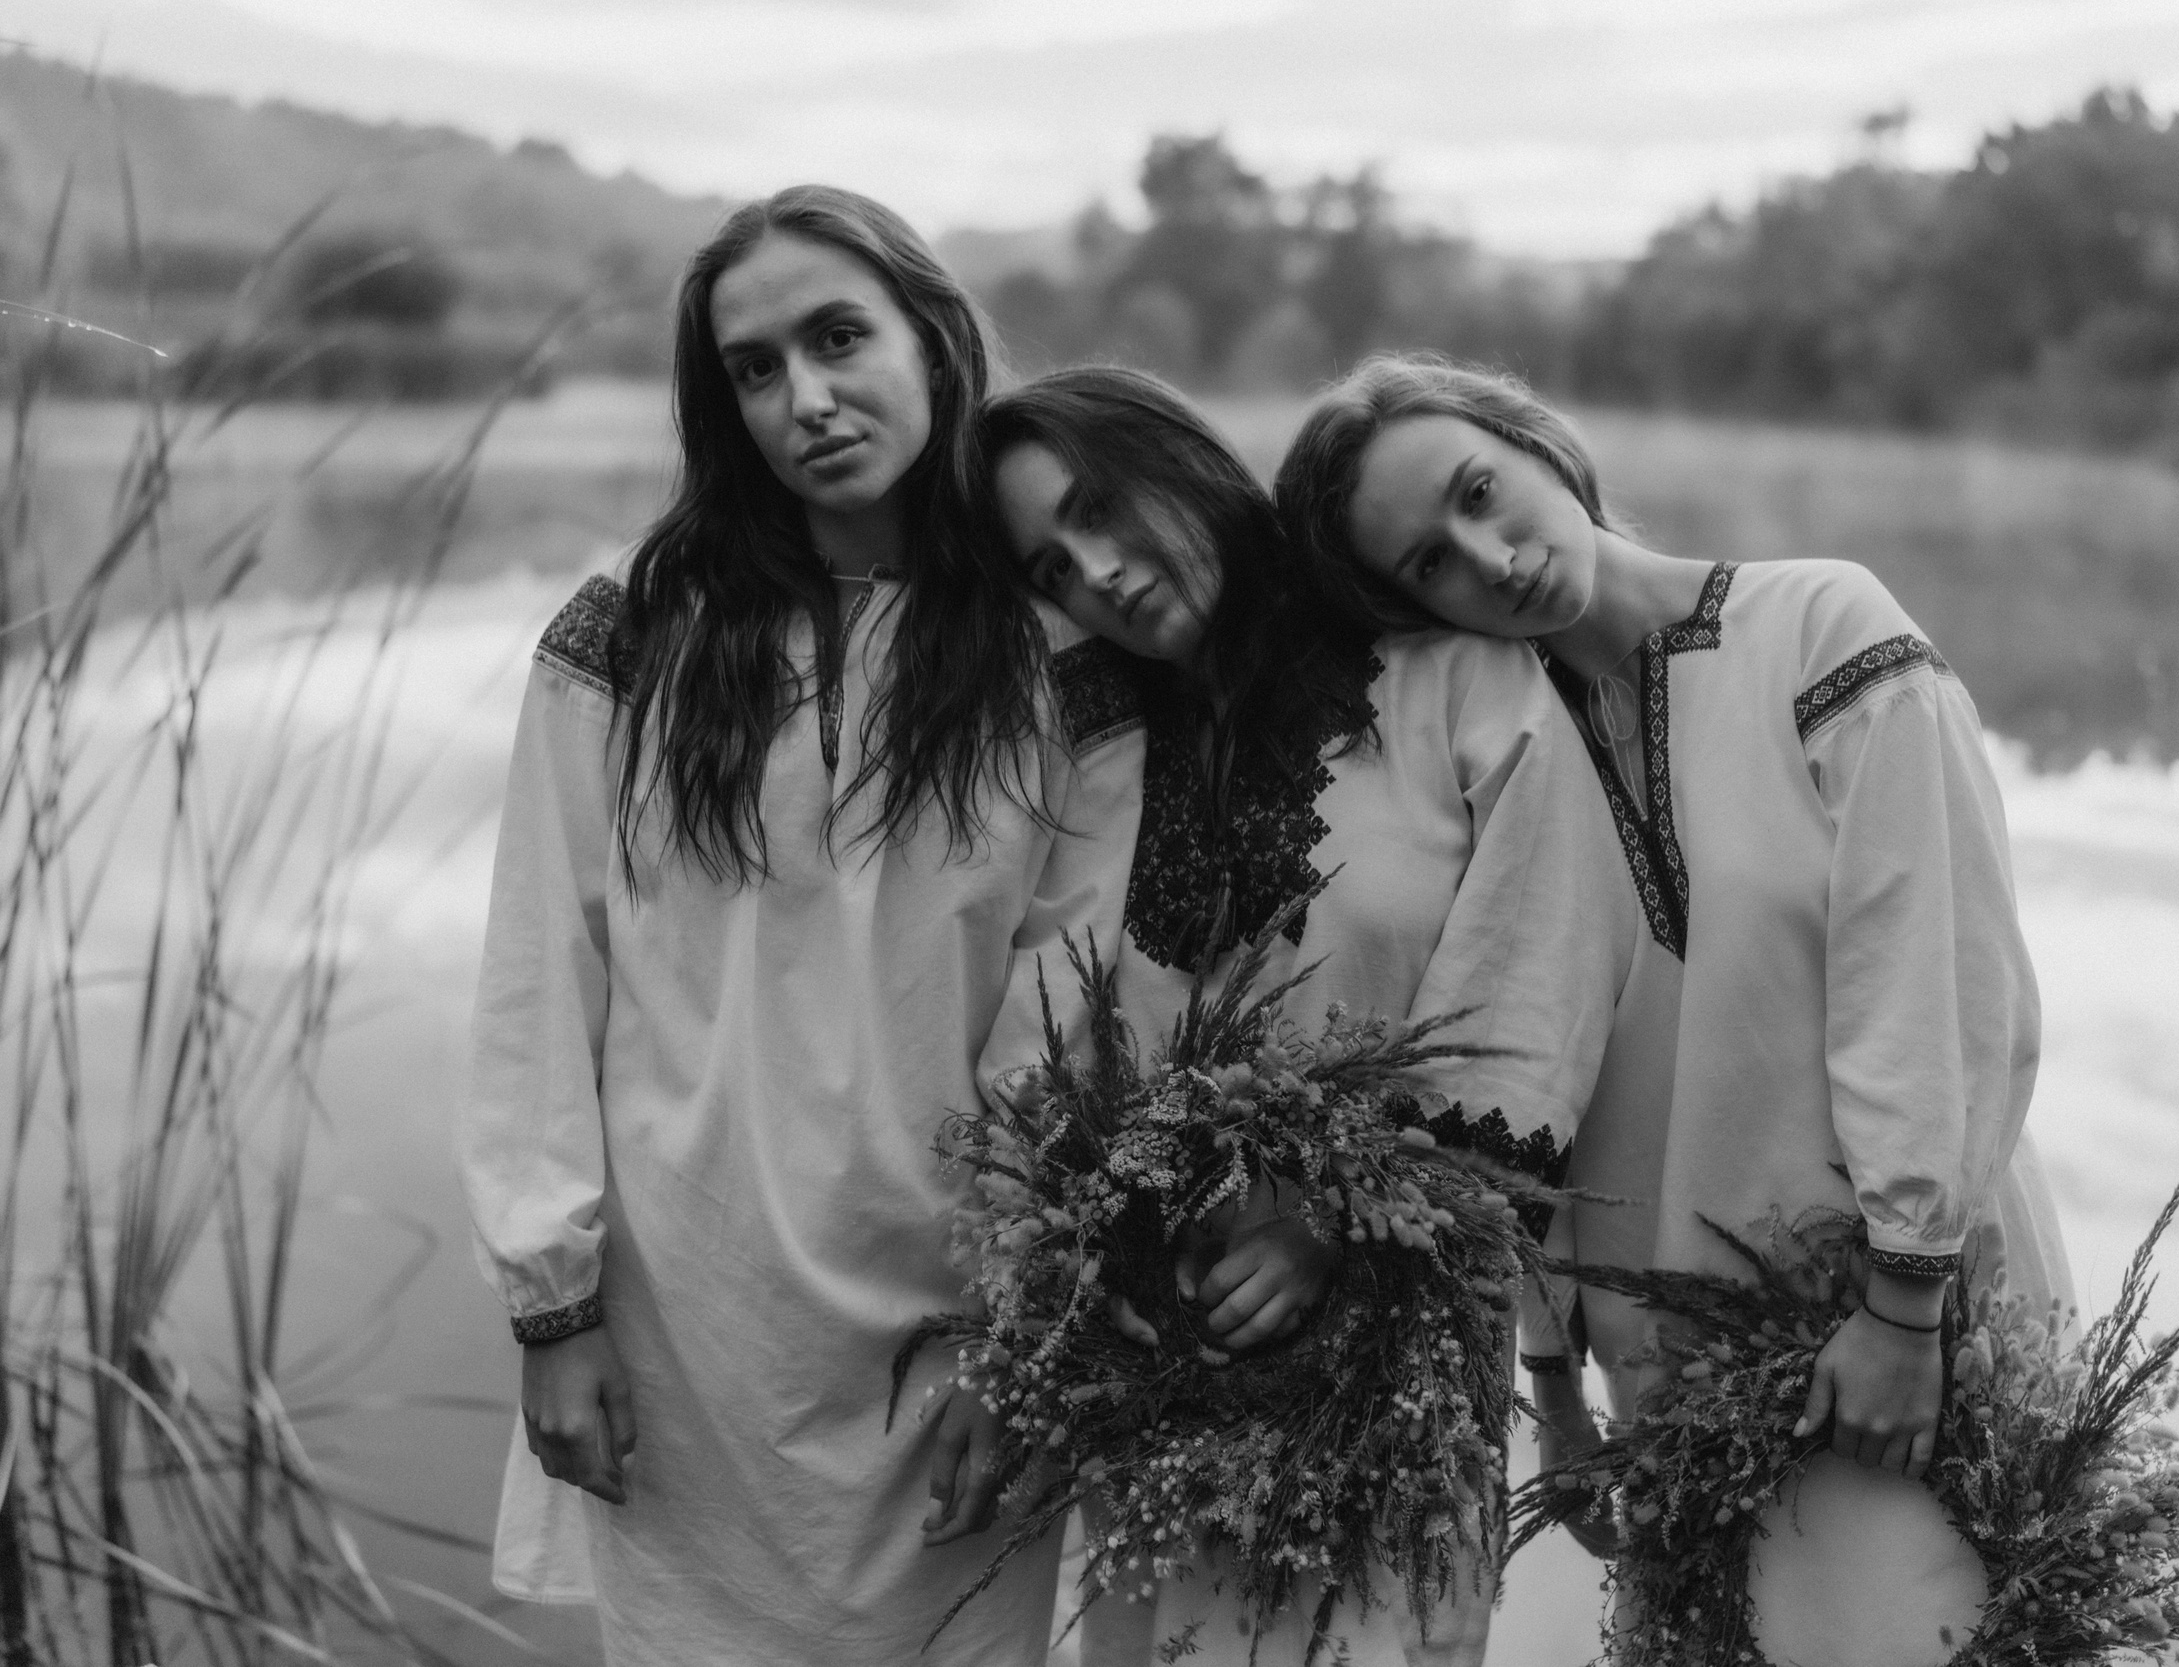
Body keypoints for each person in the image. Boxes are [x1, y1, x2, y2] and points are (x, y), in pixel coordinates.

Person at [1275, 356, 2076, 1650]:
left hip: (1888, 1337)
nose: (1492, 554)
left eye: (1482, 490)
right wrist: (1555, 1381)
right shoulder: (1507, 751)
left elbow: (1939, 969)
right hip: (1671, 1366)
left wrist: (1903, 1305)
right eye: (1430, 562)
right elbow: (1516, 1075)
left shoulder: (1824, 628)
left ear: (1536, 440)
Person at [456, 186, 1141, 1667]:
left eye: (839, 338)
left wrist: (1012, 1340)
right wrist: (552, 1312)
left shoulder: (1067, 666)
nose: (804, 400)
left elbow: (1068, 1029)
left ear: (935, 339)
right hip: (681, 1335)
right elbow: (537, 982)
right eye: (755, 369)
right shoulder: (626, 642)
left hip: (948, 1338)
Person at [975, 366, 1634, 1667]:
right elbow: (1051, 1031)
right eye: (1053, 568)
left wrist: (1343, 1220)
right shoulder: (1104, 742)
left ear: (1188, 459)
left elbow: (1536, 990)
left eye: (1106, 509)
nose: (1098, 571)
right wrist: (1043, 1286)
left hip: (1391, 1336)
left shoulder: (1460, 679)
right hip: (1164, 1351)